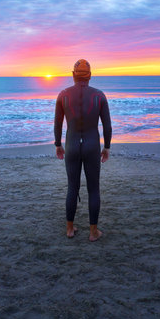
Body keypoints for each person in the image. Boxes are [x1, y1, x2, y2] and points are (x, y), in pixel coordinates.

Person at [54, 59, 112, 242]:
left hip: (71, 146)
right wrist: (107, 147)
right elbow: (107, 126)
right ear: (90, 76)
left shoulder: (62, 95)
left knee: (72, 187)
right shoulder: (99, 96)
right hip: (92, 146)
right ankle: (93, 232)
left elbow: (57, 124)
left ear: (73, 75)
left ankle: (70, 229)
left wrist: (58, 144)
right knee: (94, 189)